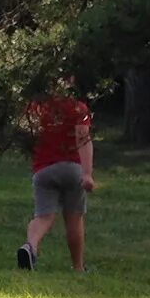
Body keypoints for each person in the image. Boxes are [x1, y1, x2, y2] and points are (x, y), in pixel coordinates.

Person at [19, 75, 94, 270]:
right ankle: (77, 266)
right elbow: (83, 140)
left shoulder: (35, 109)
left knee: (43, 217)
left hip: (44, 169)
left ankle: (31, 246)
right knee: (74, 217)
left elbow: (25, 137)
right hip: (72, 169)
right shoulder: (78, 108)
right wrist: (87, 174)